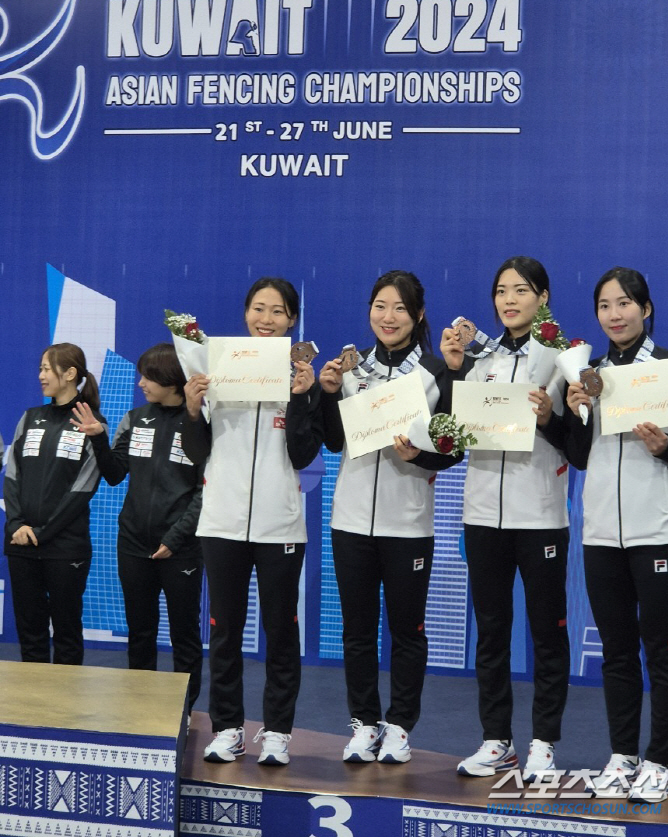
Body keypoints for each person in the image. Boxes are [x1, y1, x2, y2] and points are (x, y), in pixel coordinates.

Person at [546, 267, 668, 803]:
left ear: (646, 308)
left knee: (662, 647)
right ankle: (623, 754)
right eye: (606, 306)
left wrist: (667, 449)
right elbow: (580, 456)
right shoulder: (587, 373)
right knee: (616, 650)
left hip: (659, 531)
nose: (615, 314)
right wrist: (573, 414)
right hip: (601, 535)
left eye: (625, 303)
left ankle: (660, 761)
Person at [319, 269, 460, 764]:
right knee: (357, 630)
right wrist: (328, 391)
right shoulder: (351, 368)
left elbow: (452, 450)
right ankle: (363, 723)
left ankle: (400, 725)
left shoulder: (436, 374)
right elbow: (333, 440)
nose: (388, 316)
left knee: (407, 630)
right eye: (380, 306)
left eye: (400, 307)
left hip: (408, 526)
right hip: (351, 521)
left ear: (418, 315)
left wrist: (418, 457)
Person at [182, 277, 323, 766]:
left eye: (278, 311)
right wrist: (193, 410)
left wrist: (304, 398)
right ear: (245, 314)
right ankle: (226, 729)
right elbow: (196, 453)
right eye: (259, 309)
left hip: (279, 524)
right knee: (223, 631)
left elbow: (306, 453)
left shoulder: (301, 374)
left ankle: (278, 732)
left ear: (292, 320)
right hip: (220, 521)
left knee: (281, 631)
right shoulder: (217, 367)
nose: (267, 319)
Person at [440, 256, 570, 781]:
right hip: (481, 516)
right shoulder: (481, 358)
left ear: (543, 296)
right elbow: (452, 433)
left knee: (546, 633)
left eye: (520, 290)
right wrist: (452, 370)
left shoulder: (563, 355)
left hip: (539, 513)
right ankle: (497, 740)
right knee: (491, 631)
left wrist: (550, 418)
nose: (508, 300)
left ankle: (544, 743)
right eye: (500, 291)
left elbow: (578, 443)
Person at [72, 343, 204, 714]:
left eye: (149, 376)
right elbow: (114, 475)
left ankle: (184, 712)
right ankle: (140, 709)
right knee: (140, 632)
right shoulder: (135, 417)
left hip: (180, 548)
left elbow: (204, 490)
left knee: (184, 635)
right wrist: (98, 436)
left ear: (171, 379)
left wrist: (175, 539)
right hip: (133, 544)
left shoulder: (199, 422)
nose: (141, 382)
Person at [3, 343, 105, 664]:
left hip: (65, 547)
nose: (41, 375)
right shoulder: (30, 418)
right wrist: (17, 524)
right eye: (41, 368)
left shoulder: (91, 423)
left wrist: (43, 533)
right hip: (21, 544)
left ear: (70, 374)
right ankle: (34, 710)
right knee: (30, 632)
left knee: (66, 633)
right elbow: (12, 474)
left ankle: (65, 713)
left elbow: (83, 487)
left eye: (47, 369)